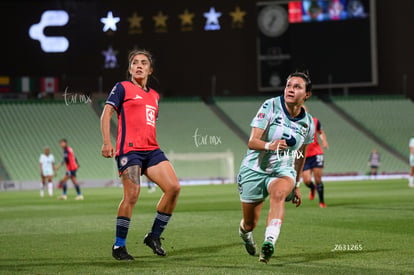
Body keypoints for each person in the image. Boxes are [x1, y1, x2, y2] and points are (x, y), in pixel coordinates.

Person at [101, 49, 180, 261]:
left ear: (149, 69)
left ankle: (154, 236)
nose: (139, 65)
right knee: (132, 194)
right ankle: (119, 246)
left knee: (173, 188)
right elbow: (107, 112)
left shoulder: (155, 97)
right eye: (134, 62)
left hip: (152, 150)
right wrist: (107, 141)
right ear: (129, 69)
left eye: (143, 62)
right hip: (129, 150)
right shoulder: (122, 88)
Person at [237, 70, 315, 263]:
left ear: (307, 94)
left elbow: (301, 155)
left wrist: (296, 184)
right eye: (289, 85)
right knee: (249, 223)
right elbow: (252, 141)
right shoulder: (270, 106)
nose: (290, 89)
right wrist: (269, 145)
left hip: (283, 171)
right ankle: (246, 235)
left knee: (279, 195)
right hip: (254, 170)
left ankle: (269, 242)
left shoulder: (308, 123)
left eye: (297, 87)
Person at [302, 115, 329, 208]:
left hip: (316, 153)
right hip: (304, 156)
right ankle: (312, 188)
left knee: (318, 179)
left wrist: (324, 141)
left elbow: (321, 132)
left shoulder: (315, 121)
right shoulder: (294, 122)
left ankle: (321, 202)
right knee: (307, 180)